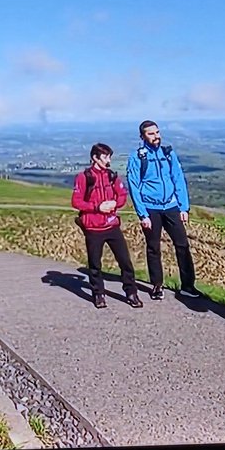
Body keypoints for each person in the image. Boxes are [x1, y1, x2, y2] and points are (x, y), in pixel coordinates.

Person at [125, 120, 200, 300]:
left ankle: (188, 286)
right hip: (151, 208)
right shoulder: (137, 157)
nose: (156, 136)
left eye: (157, 132)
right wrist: (142, 214)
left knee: (182, 245)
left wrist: (184, 207)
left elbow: (178, 179)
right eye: (151, 134)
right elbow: (133, 186)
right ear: (142, 136)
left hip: (171, 206)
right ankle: (157, 285)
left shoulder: (168, 153)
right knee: (153, 248)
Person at [71, 143, 143, 309]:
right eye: (105, 157)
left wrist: (114, 204)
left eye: (109, 156)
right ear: (95, 158)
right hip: (93, 228)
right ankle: (98, 294)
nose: (108, 160)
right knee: (95, 264)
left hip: (112, 226)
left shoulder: (111, 176)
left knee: (125, 261)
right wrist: (97, 207)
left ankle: (131, 293)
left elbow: (122, 195)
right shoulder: (84, 177)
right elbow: (76, 201)